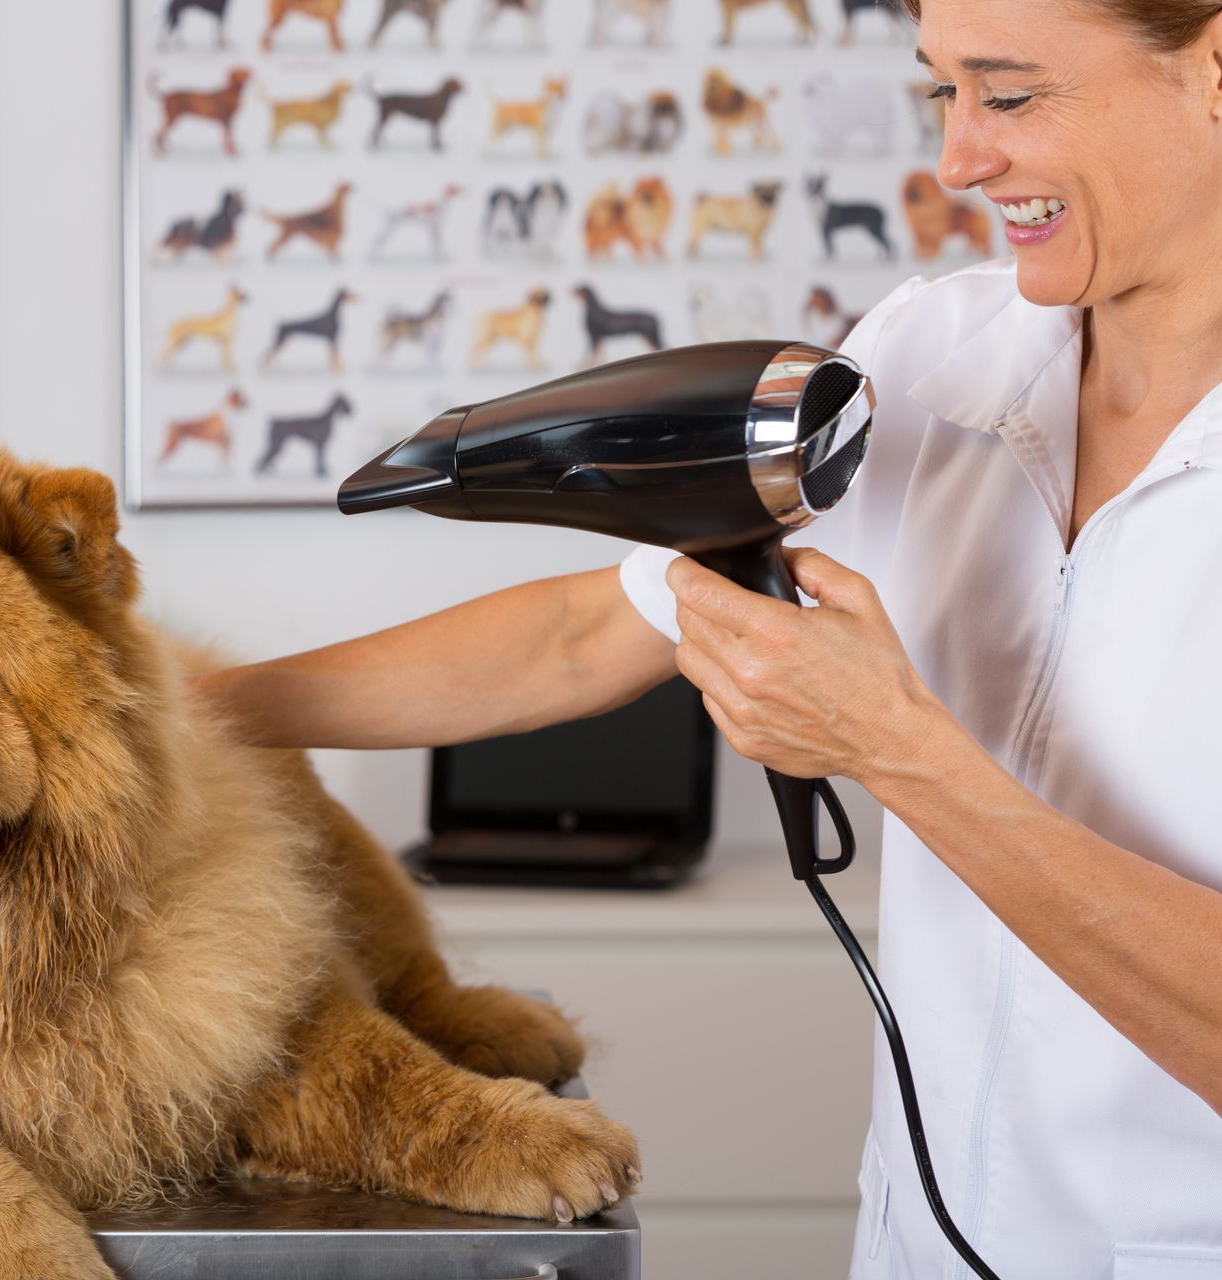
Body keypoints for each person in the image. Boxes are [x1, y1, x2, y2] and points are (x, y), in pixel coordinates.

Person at [188, 0, 1222, 1274]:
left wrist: (901, 755)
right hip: (926, 1239)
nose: (958, 160)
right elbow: (590, 633)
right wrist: (176, 709)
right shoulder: (933, 355)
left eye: (1008, 97)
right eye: (940, 93)